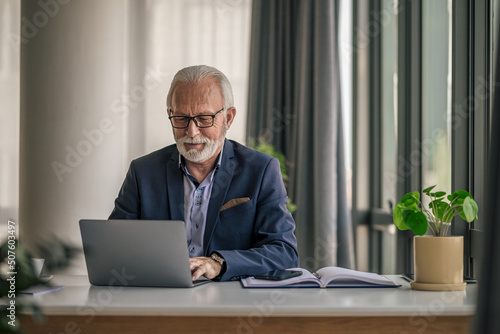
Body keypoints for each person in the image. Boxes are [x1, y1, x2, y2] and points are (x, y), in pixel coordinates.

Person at [109, 65, 298, 281]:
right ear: (170, 114)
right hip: (160, 295)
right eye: (181, 118)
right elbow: (115, 248)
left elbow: (284, 253)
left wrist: (219, 263)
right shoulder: (142, 172)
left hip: (230, 301)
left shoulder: (261, 170)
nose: (191, 131)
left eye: (204, 118)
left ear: (228, 118)